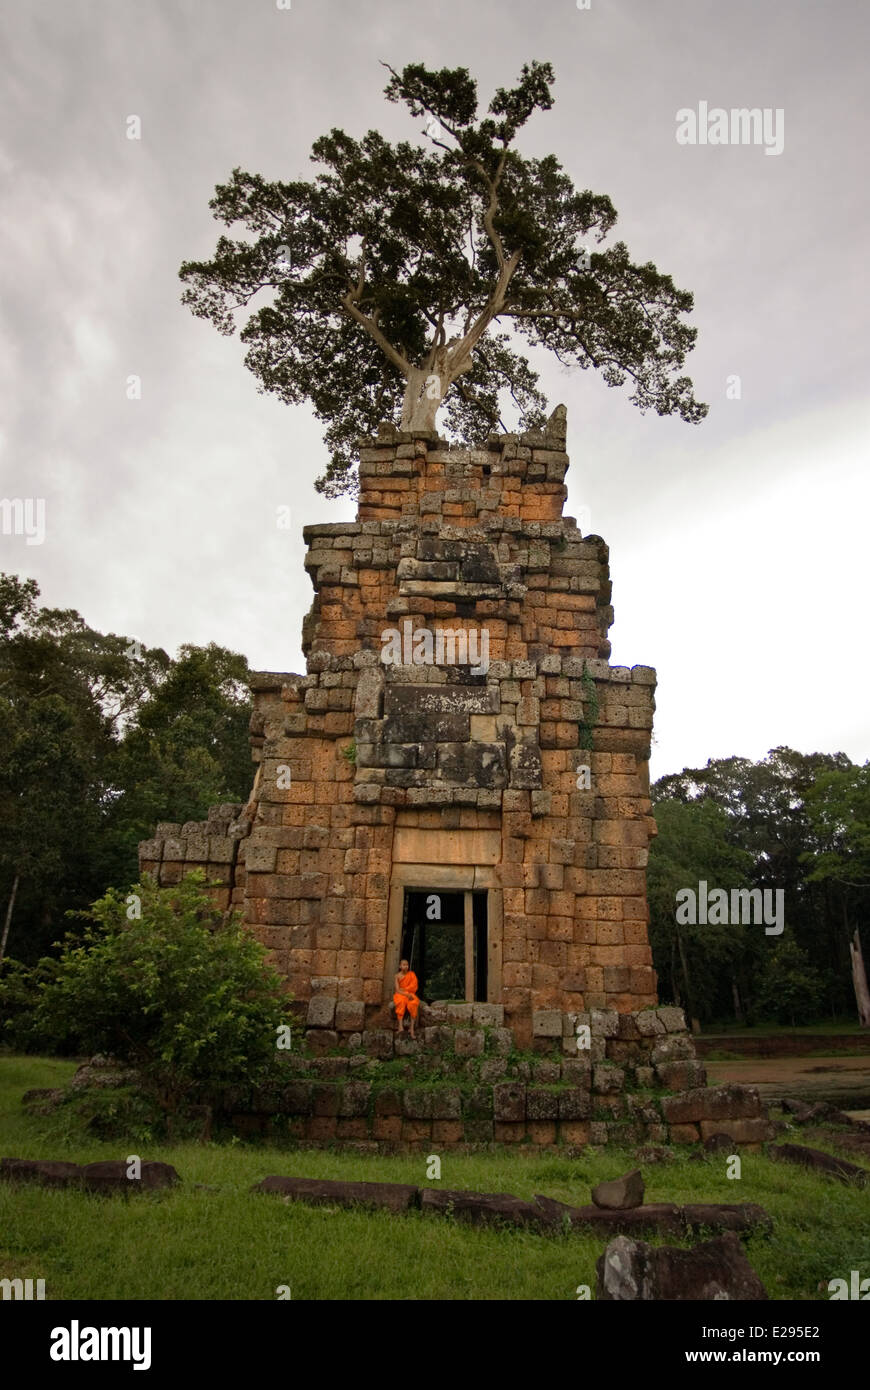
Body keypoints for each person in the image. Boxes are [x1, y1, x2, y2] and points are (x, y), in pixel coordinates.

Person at [393, 959, 419, 1038]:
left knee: (413, 1003)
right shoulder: (397, 976)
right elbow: (397, 990)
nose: (405, 966)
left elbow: (414, 986)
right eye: (403, 965)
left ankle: (411, 1028)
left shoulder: (412, 974)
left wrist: (405, 991)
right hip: (400, 995)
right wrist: (405, 994)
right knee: (400, 1002)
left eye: (407, 965)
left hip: (410, 994)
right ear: (400, 966)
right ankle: (400, 1026)